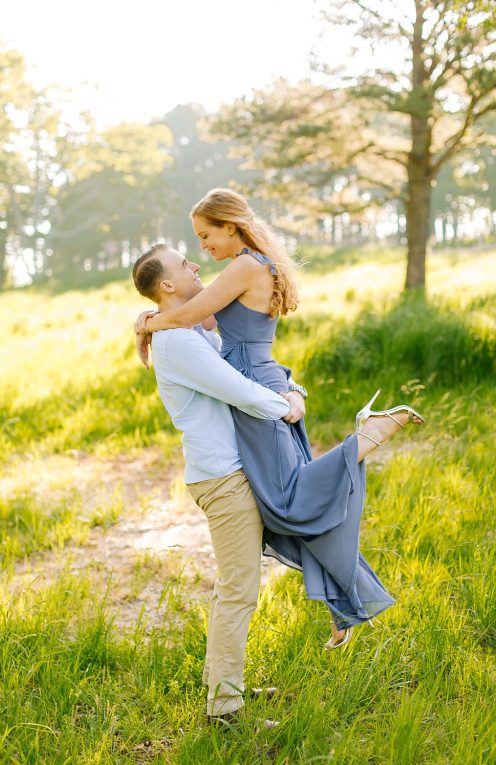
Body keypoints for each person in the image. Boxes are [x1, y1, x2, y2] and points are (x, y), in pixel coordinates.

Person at [134, 188, 424, 649]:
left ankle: (367, 437)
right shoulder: (254, 264)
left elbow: (189, 314)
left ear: (231, 226)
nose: (202, 249)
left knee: (289, 501)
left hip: (253, 386)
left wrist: (144, 326)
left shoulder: (244, 267)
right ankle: (343, 604)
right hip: (261, 379)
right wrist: (154, 314)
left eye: (207, 235)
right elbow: (199, 322)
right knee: (281, 508)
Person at [133, 243, 307, 726]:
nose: (195, 265)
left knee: (233, 587)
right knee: (238, 591)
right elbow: (236, 388)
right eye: (184, 264)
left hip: (228, 471)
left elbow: (237, 351)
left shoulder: (184, 329)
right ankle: (225, 709)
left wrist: (148, 320)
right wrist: (287, 405)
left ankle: (224, 685)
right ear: (167, 285)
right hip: (222, 478)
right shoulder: (179, 343)